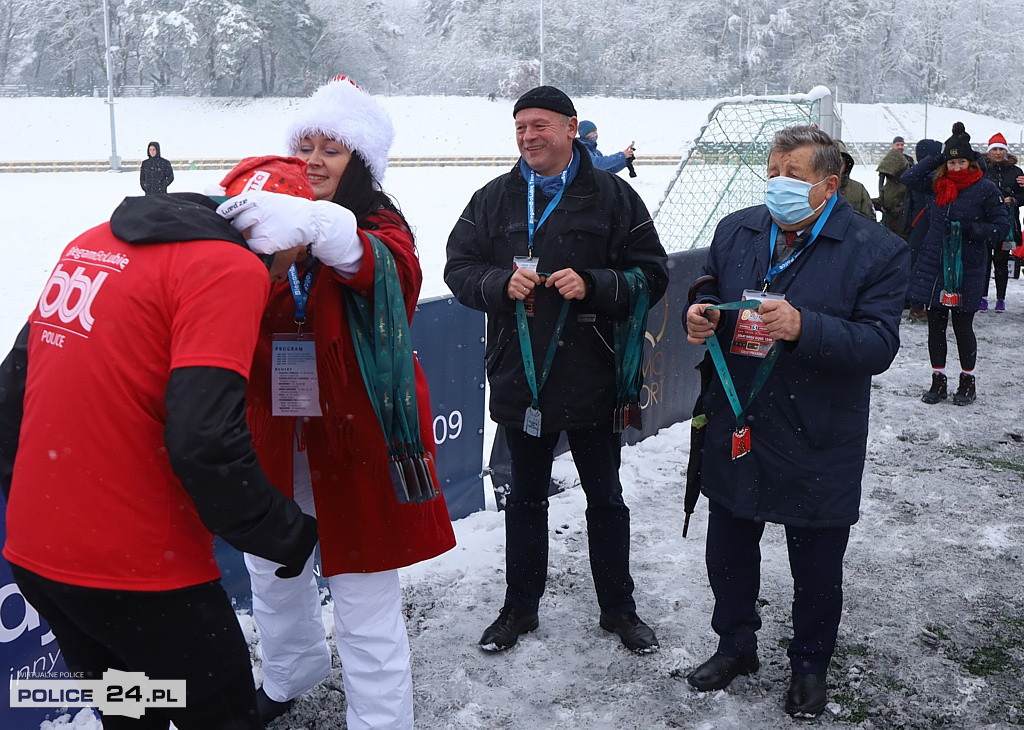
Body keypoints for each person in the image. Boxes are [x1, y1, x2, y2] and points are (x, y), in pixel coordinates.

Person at [0, 166, 321, 729]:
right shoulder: (229, 268)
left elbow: (11, 392)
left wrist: (41, 504)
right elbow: (204, 438)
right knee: (222, 718)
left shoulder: (92, 241)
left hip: (41, 557)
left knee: (134, 710)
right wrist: (283, 533)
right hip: (144, 575)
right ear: (285, 236)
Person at [216, 75, 456, 729]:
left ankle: (381, 719)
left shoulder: (380, 224)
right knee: (272, 568)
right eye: (306, 146)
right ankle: (292, 670)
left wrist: (330, 232)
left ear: (361, 164)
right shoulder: (266, 217)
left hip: (357, 437)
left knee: (363, 589)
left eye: (333, 149)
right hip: (273, 430)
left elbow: (392, 274)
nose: (315, 161)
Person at [683, 125, 909, 718]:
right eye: (772, 170)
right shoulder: (740, 227)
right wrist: (702, 309)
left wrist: (805, 327)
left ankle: (810, 664)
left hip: (818, 430)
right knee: (728, 547)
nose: (778, 184)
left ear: (830, 184)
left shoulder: (875, 249)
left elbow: (879, 344)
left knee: (815, 563)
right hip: (741, 418)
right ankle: (735, 644)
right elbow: (711, 279)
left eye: (794, 175)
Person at [444, 85, 669, 656]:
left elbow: (654, 272)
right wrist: (498, 284)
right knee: (523, 498)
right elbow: (458, 267)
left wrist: (596, 283)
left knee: (606, 497)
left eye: (540, 125)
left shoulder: (614, 197)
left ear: (572, 128)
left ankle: (619, 608)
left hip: (595, 374)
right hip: (523, 379)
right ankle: (519, 608)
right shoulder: (494, 198)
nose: (528, 137)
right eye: (520, 127)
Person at [903, 122, 1009, 406]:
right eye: (952, 161)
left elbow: (1001, 228)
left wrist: (972, 229)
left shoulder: (985, 189)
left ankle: (967, 380)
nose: (957, 167)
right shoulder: (938, 184)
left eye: (962, 161)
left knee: (963, 327)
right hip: (934, 265)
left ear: (972, 162)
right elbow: (909, 178)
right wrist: (940, 155)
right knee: (935, 327)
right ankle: (938, 380)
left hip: (968, 267)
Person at [979, 132, 1024, 312]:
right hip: (985, 222)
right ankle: (982, 297)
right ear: (989, 151)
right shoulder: (981, 170)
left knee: (1001, 261)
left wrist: (1013, 200)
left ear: (1006, 151)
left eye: (1001, 149)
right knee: (983, 260)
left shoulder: (1016, 172)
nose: (998, 153)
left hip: (1006, 224)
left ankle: (1001, 298)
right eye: (994, 149)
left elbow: (1022, 195)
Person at [903, 138, 943, 322]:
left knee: (919, 264)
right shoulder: (928, 177)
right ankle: (917, 304)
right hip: (923, 224)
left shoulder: (922, 174)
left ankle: (916, 303)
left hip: (918, 225)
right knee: (923, 266)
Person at [875, 135, 911, 239]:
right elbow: (881, 178)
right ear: (893, 145)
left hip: (903, 198)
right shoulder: (889, 159)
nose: (900, 147)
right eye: (897, 144)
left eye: (902, 144)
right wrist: (882, 197)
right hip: (891, 197)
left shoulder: (908, 160)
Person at [836, 140, 875, 219]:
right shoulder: (815, 188)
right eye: (832, 161)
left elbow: (869, 221)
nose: (836, 166)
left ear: (846, 164)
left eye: (840, 162)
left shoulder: (858, 190)